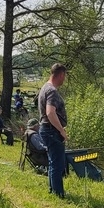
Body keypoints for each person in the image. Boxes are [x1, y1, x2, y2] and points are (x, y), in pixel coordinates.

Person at [37, 63, 68, 198]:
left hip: (46, 129)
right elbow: (50, 113)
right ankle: (58, 194)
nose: (64, 79)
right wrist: (61, 130)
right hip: (51, 131)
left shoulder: (45, 87)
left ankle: (53, 190)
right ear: (60, 74)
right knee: (58, 164)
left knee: (52, 162)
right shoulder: (52, 91)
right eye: (64, 76)